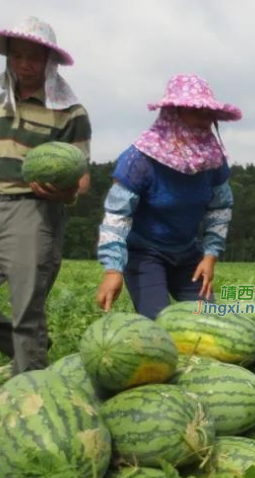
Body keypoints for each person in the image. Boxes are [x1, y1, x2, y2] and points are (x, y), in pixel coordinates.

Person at [0, 17, 91, 374]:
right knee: (23, 329)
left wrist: (64, 192)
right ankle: (23, 347)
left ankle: (31, 388)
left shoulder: (71, 112)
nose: (24, 65)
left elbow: (82, 177)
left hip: (35, 212)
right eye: (17, 57)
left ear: (49, 62)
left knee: (26, 310)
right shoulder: (1, 102)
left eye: (34, 58)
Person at [95, 74, 240, 319]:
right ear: (174, 113)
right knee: (157, 323)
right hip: (145, 253)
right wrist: (112, 270)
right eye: (196, 112)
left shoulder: (213, 161)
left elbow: (220, 209)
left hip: (188, 253)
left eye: (208, 114)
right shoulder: (139, 161)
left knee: (208, 322)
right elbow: (117, 217)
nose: (204, 121)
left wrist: (210, 255)